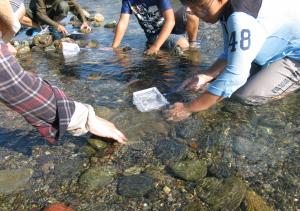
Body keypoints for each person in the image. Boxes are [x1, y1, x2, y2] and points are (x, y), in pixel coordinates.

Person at [0, 0, 127, 144]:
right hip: (38, 17)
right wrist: (86, 119)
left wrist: (84, 21)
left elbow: (75, 7)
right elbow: (20, 88)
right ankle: (42, 28)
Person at [166, 0, 300, 121]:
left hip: (295, 56)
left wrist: (189, 107)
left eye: (199, 5)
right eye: (188, 5)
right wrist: (206, 75)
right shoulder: (228, 9)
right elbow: (230, 51)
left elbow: (235, 76)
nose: (189, 11)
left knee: (246, 96)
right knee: (219, 85)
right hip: (280, 45)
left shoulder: (240, 18)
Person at [112, 0, 200, 55]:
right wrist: (114, 47)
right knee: (183, 45)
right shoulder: (128, 1)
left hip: (172, 27)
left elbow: (170, 21)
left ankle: (192, 43)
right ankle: (166, 49)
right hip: (155, 34)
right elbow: (123, 23)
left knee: (191, 11)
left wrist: (156, 47)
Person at [23, 0, 91, 35]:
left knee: (64, 6)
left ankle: (51, 27)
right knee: (20, 13)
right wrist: (57, 25)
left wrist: (84, 22)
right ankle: (39, 27)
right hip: (36, 14)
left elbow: (75, 6)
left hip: (50, 14)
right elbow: (41, 15)